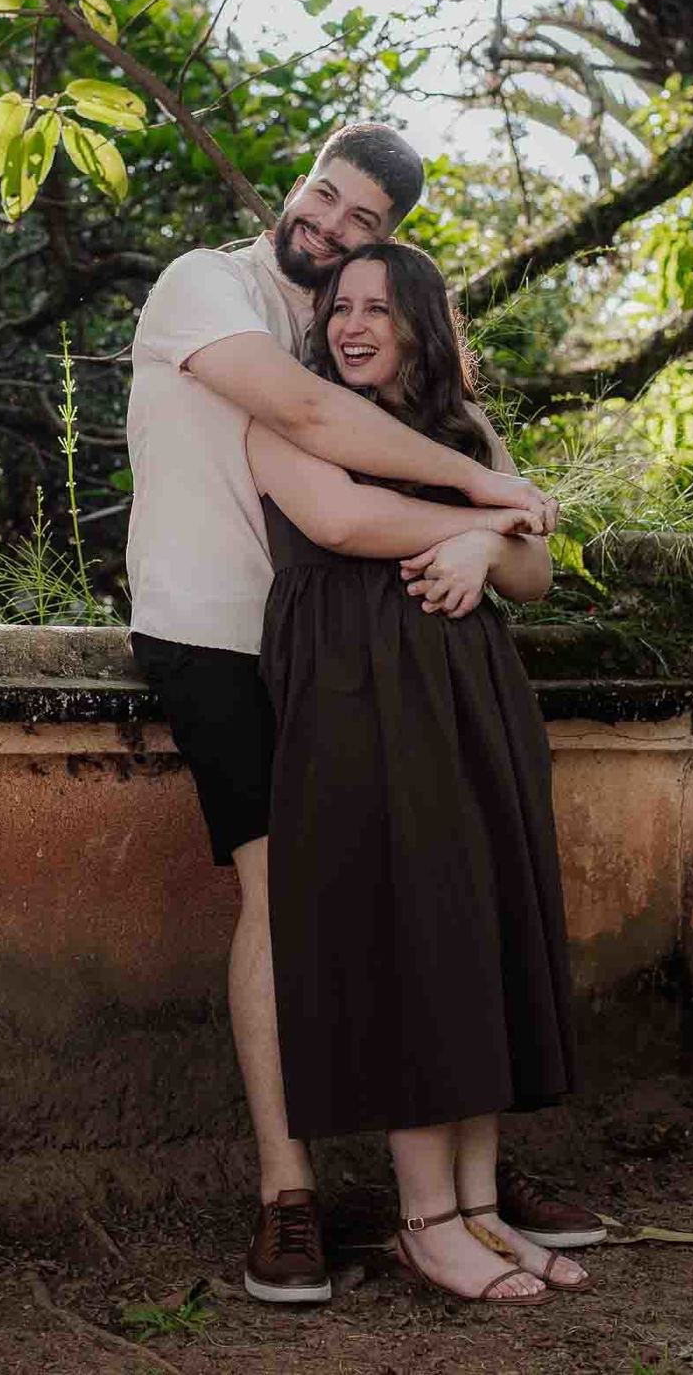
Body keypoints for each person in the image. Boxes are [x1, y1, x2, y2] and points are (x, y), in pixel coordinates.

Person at [126, 123, 602, 1303]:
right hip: (217, 631)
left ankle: (462, 1182)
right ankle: (292, 1192)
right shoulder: (208, 286)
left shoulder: (341, 328)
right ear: (299, 180)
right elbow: (317, 441)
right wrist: (487, 500)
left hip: (351, 653)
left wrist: (487, 530)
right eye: (326, 197)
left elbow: (506, 537)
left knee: (433, 893)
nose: (333, 230)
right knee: (283, 893)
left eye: (365, 228)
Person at [247, 242, 587, 1305]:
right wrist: (487, 520)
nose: (353, 325)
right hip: (356, 693)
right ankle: (425, 1221)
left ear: (421, 325)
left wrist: (490, 550)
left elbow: (535, 573)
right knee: (410, 936)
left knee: (474, 928)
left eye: (379, 309)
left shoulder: (463, 431)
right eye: (340, 306)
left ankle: (479, 1209)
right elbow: (343, 522)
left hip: (471, 696)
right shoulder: (286, 416)